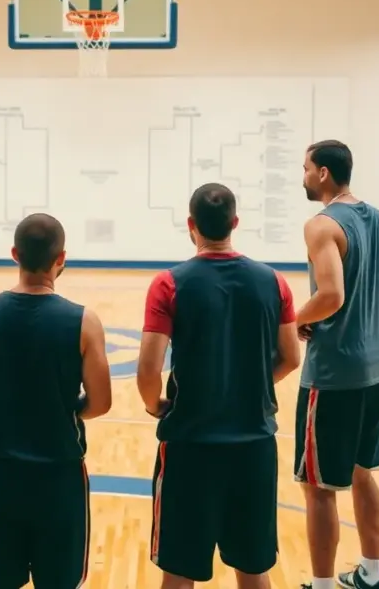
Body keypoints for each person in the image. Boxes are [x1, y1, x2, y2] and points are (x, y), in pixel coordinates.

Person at [137, 182, 302, 589]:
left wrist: (155, 404)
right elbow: (291, 357)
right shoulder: (275, 282)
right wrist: (252, 382)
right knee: (252, 567)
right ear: (235, 223)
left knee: (179, 569)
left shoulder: (168, 284)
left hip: (190, 446)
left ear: (191, 225)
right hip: (254, 445)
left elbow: (147, 370)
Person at [0, 213, 112, 589]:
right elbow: (101, 402)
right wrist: (63, 413)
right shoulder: (84, 321)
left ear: (14, 254)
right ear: (62, 258)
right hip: (59, 477)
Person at [294, 140, 379, 589]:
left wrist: (295, 319)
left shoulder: (321, 225)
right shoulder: (377, 219)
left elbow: (330, 296)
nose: (305, 175)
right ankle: (372, 575)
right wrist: (376, 309)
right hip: (375, 369)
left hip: (333, 374)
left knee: (318, 488)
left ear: (325, 174)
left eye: (307, 168)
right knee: (361, 471)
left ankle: (323, 585)